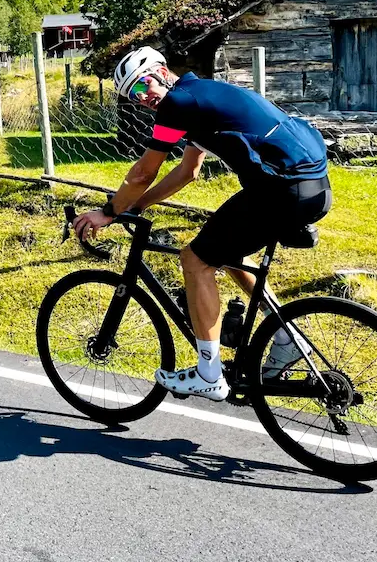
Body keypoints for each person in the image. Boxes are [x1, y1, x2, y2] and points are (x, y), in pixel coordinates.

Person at [72, 46, 332, 401]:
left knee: (194, 260)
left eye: (141, 85)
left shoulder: (178, 104)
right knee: (225, 251)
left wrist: (110, 211)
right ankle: (287, 336)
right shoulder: (198, 96)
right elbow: (187, 171)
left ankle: (208, 373)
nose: (141, 97)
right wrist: (139, 206)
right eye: (132, 95)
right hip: (309, 186)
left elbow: (143, 171)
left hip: (281, 189)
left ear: (162, 72)